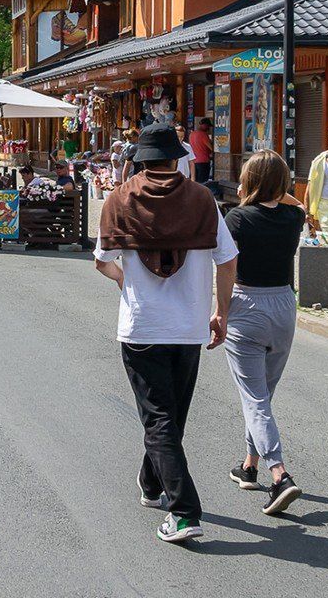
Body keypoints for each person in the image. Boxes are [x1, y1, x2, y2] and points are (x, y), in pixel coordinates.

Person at [94, 121, 237, 545]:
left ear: (140, 160)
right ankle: (153, 484)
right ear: (177, 158)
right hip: (189, 325)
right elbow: (227, 260)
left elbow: (102, 260)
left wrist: (128, 282)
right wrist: (220, 312)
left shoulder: (119, 200)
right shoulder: (203, 200)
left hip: (142, 324)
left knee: (159, 418)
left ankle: (183, 511)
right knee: (170, 417)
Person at [221, 150, 306, 515]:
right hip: (284, 307)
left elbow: (225, 267)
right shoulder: (293, 217)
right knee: (262, 397)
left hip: (247, 306)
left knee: (255, 398)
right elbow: (293, 200)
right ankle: (249, 466)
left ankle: (280, 474)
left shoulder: (237, 218)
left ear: (250, 182)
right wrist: (274, 185)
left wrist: (220, 313)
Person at [187, 119, 214, 185]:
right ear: (204, 125)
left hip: (193, 161)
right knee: (203, 183)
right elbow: (211, 147)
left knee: (194, 182)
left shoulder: (192, 134)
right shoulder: (203, 134)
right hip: (203, 161)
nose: (208, 128)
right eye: (208, 126)